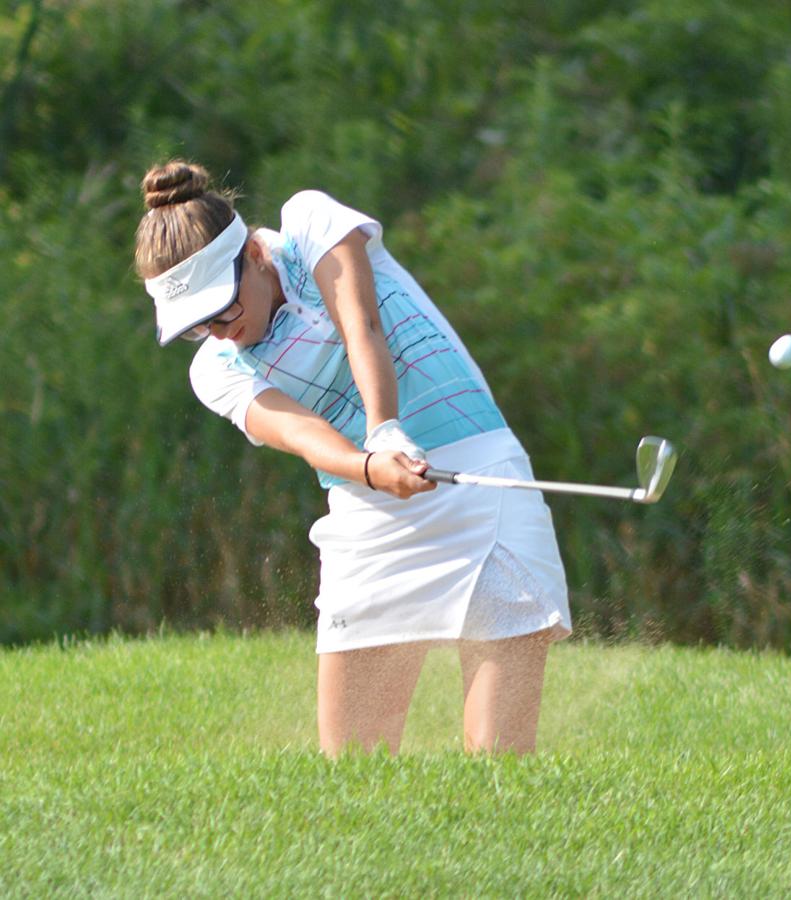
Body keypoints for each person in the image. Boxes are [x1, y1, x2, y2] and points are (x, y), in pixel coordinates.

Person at [133, 160, 571, 756]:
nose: (218, 333)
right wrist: (372, 465)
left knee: (501, 761)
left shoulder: (311, 223)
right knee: (355, 772)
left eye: (225, 310)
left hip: (481, 478)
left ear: (255, 255)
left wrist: (385, 428)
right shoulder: (215, 372)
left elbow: (361, 324)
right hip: (368, 513)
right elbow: (307, 436)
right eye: (196, 326)